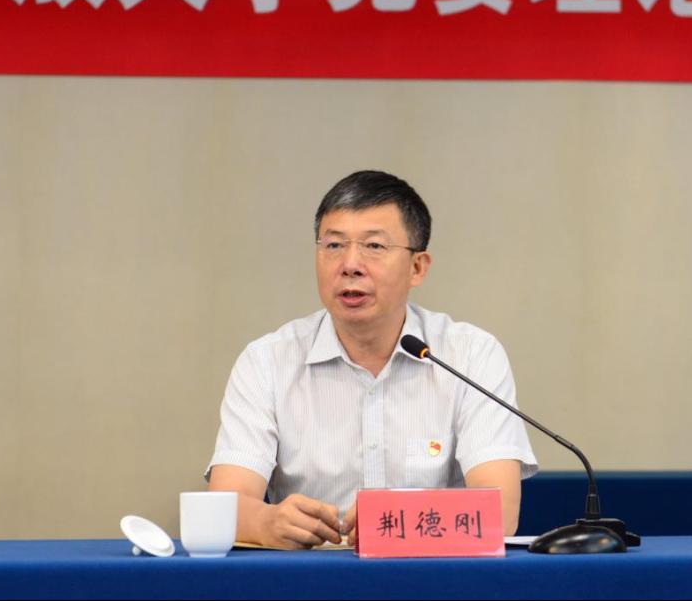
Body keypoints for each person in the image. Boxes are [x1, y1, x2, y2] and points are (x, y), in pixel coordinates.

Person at [206, 170, 537, 548]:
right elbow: (223, 508)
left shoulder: (470, 355)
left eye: (374, 246)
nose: (350, 264)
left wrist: (391, 522)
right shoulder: (267, 362)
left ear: (417, 267)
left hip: (434, 576)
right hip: (311, 574)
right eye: (333, 245)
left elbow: (498, 514)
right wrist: (268, 522)